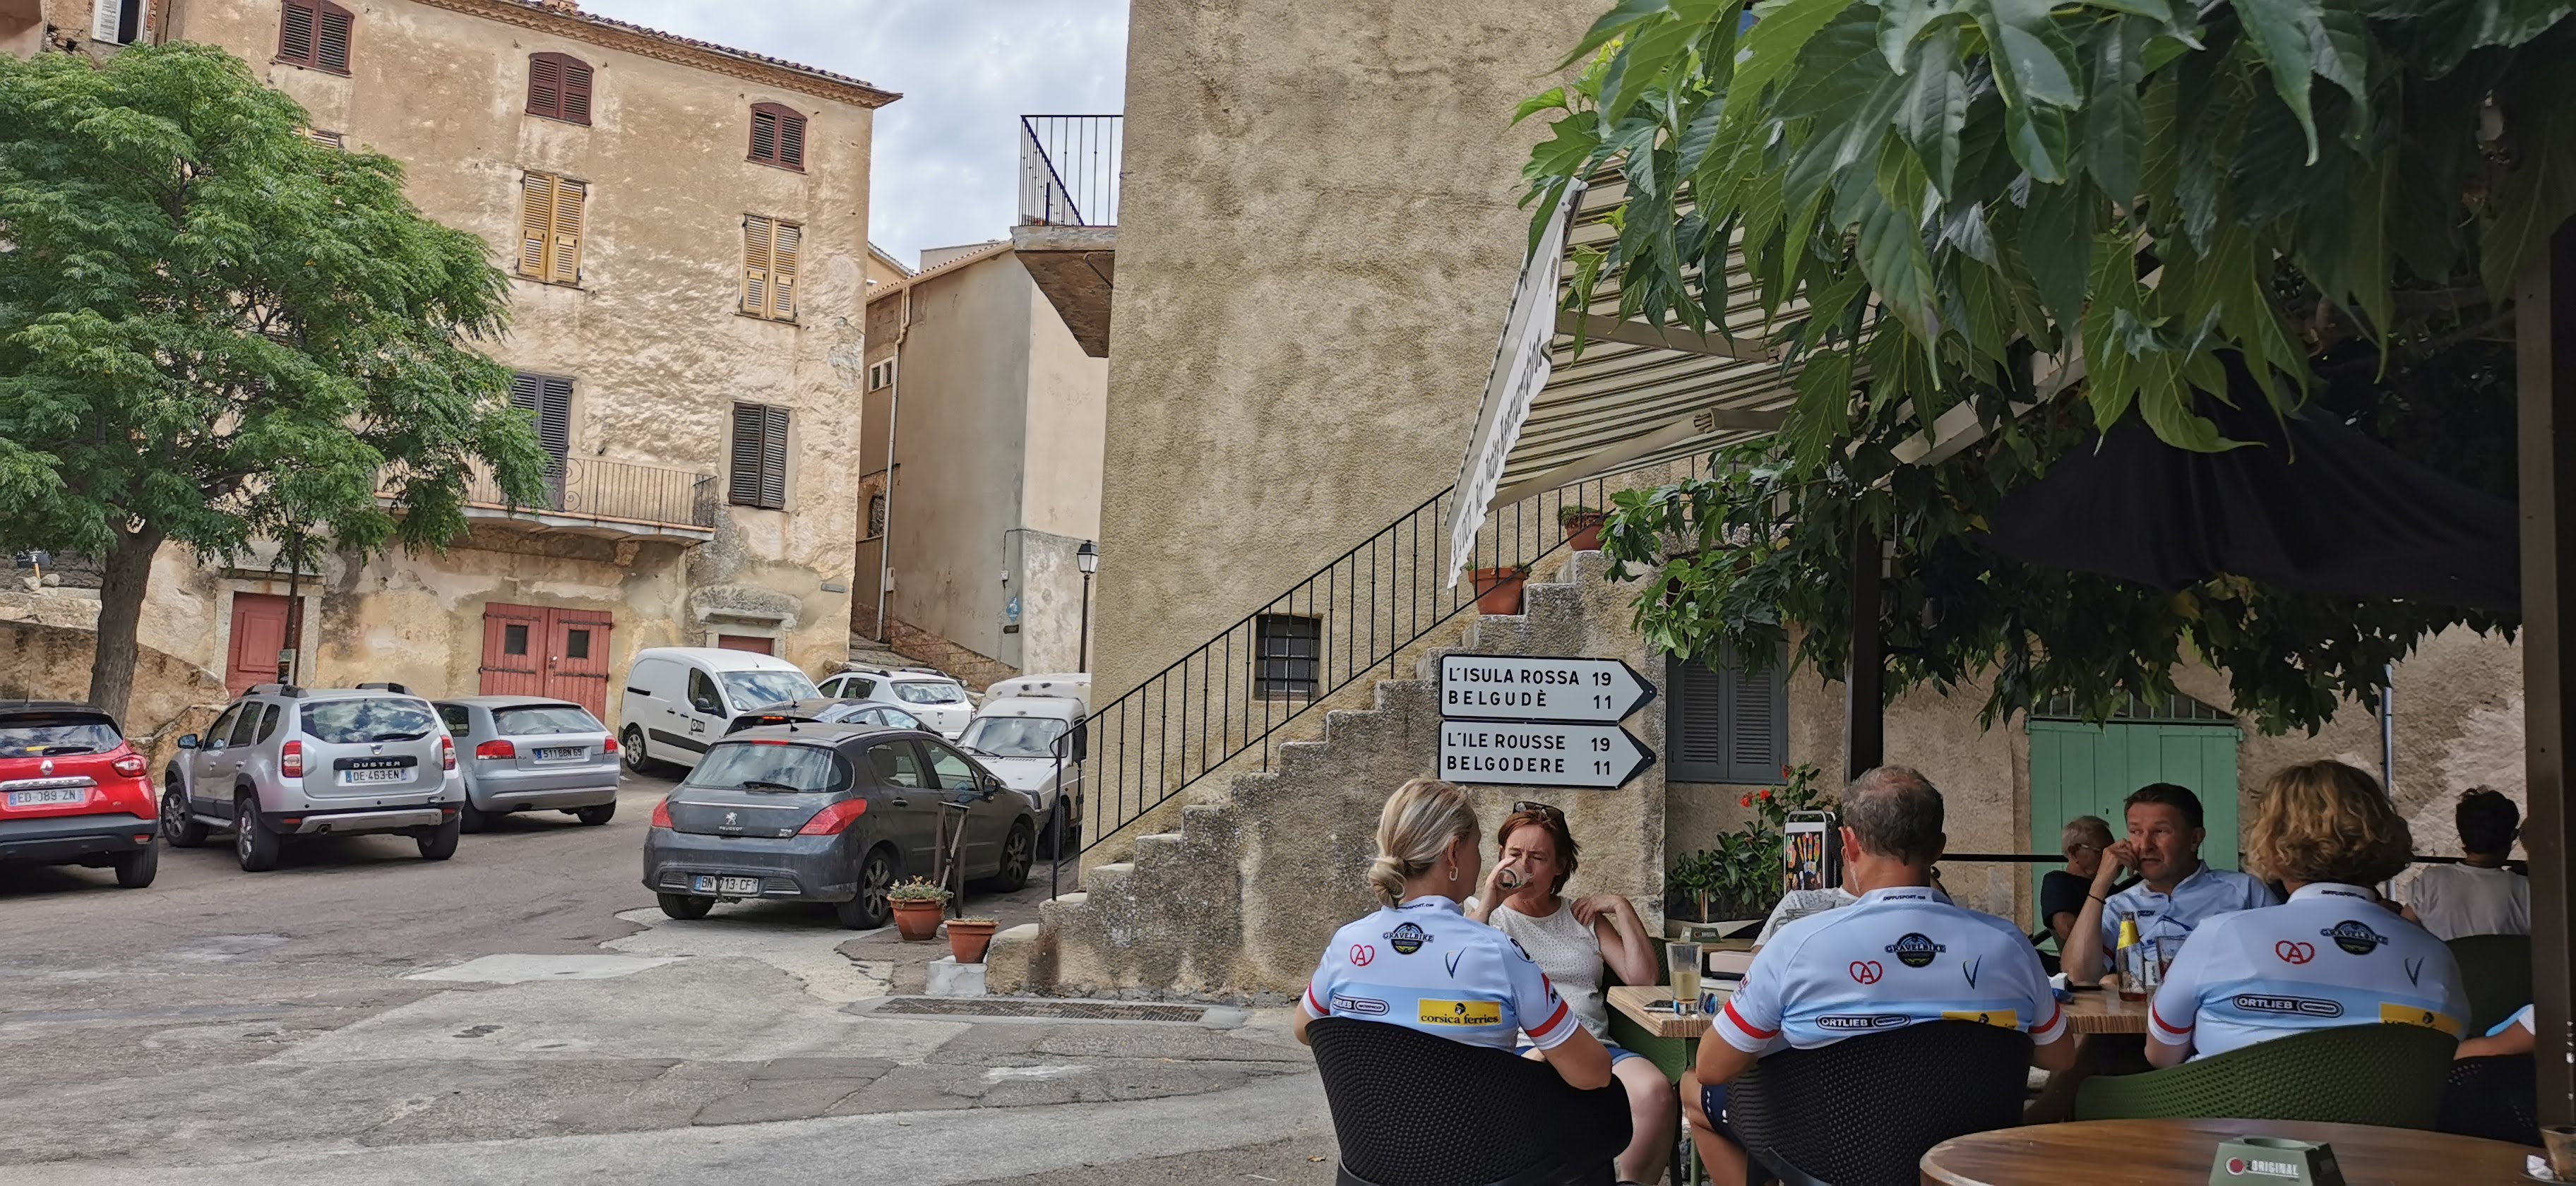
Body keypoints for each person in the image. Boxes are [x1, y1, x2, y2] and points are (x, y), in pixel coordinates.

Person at [1680, 767, 2076, 1186]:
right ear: (1939, 848)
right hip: (1964, 1160)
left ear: (1849, 843)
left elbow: (1712, 1067)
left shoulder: (1797, 945)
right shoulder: (2011, 947)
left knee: (1691, 1088)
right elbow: (2060, 1057)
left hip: (1824, 1157)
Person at [1294, 777, 1614, 1094]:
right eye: (1476, 846)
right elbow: (1594, 1073)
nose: (1481, 859)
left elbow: (1305, 1029)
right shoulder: (1500, 953)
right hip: (1481, 1128)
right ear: (1453, 853)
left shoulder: (1347, 943)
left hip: (1373, 1127)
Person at [2145, 760, 2467, 1066]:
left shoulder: (2221, 934)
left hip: (2235, 1106)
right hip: (2389, 1109)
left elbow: (2162, 1055)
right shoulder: (2435, 956)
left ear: (2272, 840)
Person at [1468, 803, 1676, 1186]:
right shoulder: (1482, 916)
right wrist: (1488, 902)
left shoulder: (1581, 917)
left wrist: (1621, 906)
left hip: (1593, 1046)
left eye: (1537, 858)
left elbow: (1643, 978)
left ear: (1560, 866)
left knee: (1656, 1093)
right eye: (1514, 854)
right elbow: (1461, 972)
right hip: (1520, 1051)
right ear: (1500, 857)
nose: (1524, 867)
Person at [2062, 783, 2279, 983]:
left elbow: (2285, 963)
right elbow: (2076, 977)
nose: (2145, 845)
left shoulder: (2244, 892)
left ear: (2195, 839)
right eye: (2136, 832)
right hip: (2139, 1014)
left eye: (2160, 832)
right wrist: (2100, 884)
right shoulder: (2119, 906)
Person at [2403, 788, 2530, 940]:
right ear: (2512, 836)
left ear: (2463, 835)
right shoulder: (2526, 891)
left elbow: (2404, 936)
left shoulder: (2429, 883)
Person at [2041, 815, 2125, 949]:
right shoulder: (2058, 881)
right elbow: (2068, 930)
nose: (2111, 857)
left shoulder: (2112, 888)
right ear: (2074, 852)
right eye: (2103, 852)